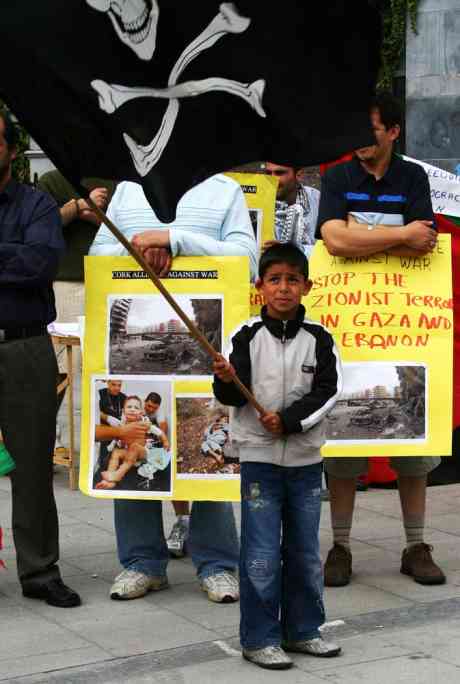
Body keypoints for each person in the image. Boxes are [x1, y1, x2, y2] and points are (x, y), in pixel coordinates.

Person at [89, 172, 257, 602]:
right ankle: (141, 563)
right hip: (133, 364)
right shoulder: (127, 188)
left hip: (207, 356)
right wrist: (138, 249)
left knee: (207, 458)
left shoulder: (225, 189)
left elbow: (246, 260)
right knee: (132, 445)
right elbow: (99, 254)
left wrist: (171, 240)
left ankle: (218, 564)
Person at [316, 92, 445, 587]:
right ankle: (341, 547)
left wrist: (360, 233)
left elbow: (426, 242)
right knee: (343, 444)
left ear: (393, 132)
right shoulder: (337, 176)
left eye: (370, 130)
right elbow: (333, 240)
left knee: (414, 444)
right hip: (348, 326)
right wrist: (397, 235)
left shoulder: (413, 177)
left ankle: (416, 544)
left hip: (407, 326)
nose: (360, 141)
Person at [213, 243, 342, 669]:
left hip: (305, 462)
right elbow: (230, 393)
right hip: (259, 462)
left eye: (292, 280)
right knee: (261, 553)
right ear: (260, 288)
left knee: (304, 552)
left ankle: (304, 630)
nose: (283, 288)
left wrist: (288, 421)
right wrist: (227, 380)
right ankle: (259, 637)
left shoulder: (320, 339)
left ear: (307, 286)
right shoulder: (245, 336)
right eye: (274, 280)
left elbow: (328, 393)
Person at [0, 110, 80, 607]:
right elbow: (19, 259)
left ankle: (39, 571)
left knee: (31, 464)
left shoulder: (38, 204)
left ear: (11, 149)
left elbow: (39, 263)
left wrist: (16, 257)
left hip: (25, 347)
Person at [37, 171, 115, 448]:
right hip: (67, 282)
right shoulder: (52, 180)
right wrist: (79, 205)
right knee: (63, 367)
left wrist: (94, 213)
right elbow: (42, 225)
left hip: (111, 283)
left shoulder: (119, 180)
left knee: (106, 364)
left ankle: (89, 445)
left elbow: (129, 224)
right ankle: (46, 443)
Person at [144, 392, 190, 557]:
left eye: (153, 407)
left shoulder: (161, 413)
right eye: (148, 406)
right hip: (151, 448)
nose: (150, 409)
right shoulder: (138, 409)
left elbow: (162, 427)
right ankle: (182, 522)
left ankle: (185, 523)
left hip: (165, 445)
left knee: (179, 479)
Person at [96, 395, 170, 490]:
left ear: (141, 412)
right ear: (123, 411)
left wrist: (165, 441)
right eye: (129, 407)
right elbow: (117, 437)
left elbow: (159, 432)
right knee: (116, 452)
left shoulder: (144, 424)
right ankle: (110, 480)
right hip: (128, 452)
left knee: (135, 446)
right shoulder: (121, 424)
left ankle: (118, 474)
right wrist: (116, 444)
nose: (132, 409)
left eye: (136, 408)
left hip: (142, 453)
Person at [264, 162, 320, 257]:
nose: (272, 179)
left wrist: (294, 250)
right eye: (268, 173)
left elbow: (329, 248)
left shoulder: (317, 199)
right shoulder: (256, 200)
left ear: (298, 175)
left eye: (279, 173)